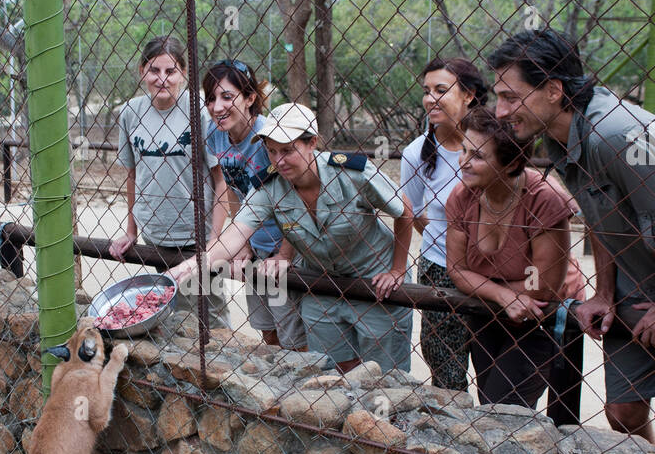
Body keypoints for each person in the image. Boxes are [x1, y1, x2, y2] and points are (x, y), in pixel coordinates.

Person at [489, 28, 655, 445]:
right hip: (637, 281)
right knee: (623, 412)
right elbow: (599, 214)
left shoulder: (614, 135)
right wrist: (604, 293)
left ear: (553, 90)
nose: (500, 111)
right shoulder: (561, 136)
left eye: (510, 97)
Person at [167, 103, 414, 373]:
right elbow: (237, 232)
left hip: (373, 280)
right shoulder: (270, 186)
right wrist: (192, 265)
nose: (278, 160)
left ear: (312, 143)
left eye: (287, 150)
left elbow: (404, 211)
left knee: (387, 375)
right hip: (322, 285)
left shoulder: (351, 173)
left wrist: (398, 268)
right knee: (332, 370)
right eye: (271, 151)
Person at [443, 107, 585, 408]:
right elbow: (456, 270)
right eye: (464, 150)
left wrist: (487, 286)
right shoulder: (462, 196)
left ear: (512, 164)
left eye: (478, 156)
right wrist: (502, 294)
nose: (463, 162)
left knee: (505, 407)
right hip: (488, 308)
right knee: (492, 404)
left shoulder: (543, 199)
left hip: (545, 315)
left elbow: (542, 286)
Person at [109, 35, 229, 327]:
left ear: (183, 74)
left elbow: (221, 180)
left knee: (209, 317)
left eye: (170, 71)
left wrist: (213, 242)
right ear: (142, 72)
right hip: (155, 236)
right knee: (169, 310)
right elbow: (133, 174)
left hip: (196, 238)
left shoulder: (201, 111)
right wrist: (131, 229)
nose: (162, 78)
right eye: (154, 70)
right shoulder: (130, 112)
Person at [202, 58, 307, 350]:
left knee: (294, 339)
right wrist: (242, 244)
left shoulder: (267, 137)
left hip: (286, 246)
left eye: (227, 97)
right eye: (211, 98)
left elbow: (298, 199)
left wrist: (284, 254)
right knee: (267, 330)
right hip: (256, 246)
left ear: (249, 98)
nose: (217, 106)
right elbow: (234, 188)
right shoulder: (216, 135)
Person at [399, 58, 488, 391]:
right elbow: (416, 213)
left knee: (493, 371)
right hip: (440, 269)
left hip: (495, 271)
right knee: (447, 376)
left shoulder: (495, 147)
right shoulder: (416, 154)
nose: (430, 99)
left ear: (468, 95)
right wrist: (450, 246)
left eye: (441, 90)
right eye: (425, 91)